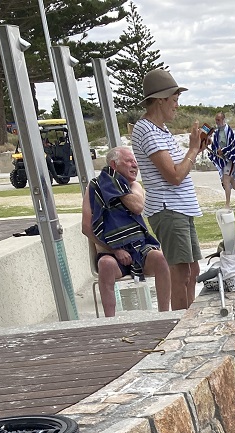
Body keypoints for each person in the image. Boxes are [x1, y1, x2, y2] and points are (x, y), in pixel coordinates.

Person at [131, 68, 205, 310]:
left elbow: (177, 168)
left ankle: (189, 319)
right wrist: (193, 150)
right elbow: (174, 175)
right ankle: (181, 324)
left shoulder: (159, 130)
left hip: (179, 209)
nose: (177, 106)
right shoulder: (147, 129)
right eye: (174, 100)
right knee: (181, 272)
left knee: (192, 270)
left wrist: (195, 150)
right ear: (161, 99)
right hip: (169, 209)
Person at [82, 146, 171, 318]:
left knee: (160, 258)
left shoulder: (134, 186)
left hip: (140, 249)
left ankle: (164, 315)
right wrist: (115, 250)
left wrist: (114, 188)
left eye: (135, 161)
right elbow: (86, 227)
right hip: (111, 252)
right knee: (105, 265)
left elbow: (137, 207)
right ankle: (110, 322)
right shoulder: (93, 187)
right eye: (129, 161)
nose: (134, 165)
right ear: (114, 165)